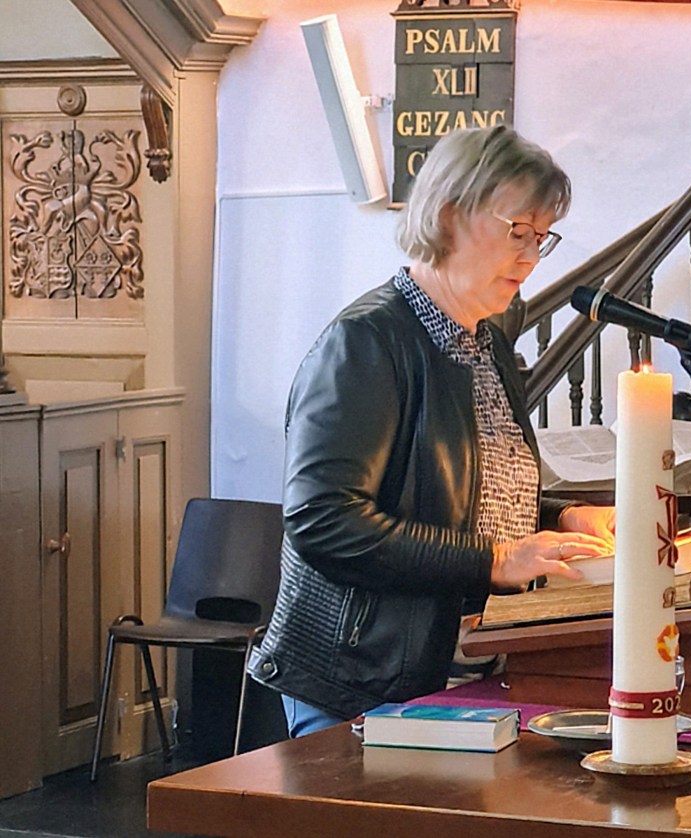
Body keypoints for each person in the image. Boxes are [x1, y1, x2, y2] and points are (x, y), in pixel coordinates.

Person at [249, 125, 616, 737]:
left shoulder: (486, 339)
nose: (530, 256)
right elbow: (323, 522)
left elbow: (460, 496)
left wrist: (565, 518)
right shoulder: (366, 342)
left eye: (541, 237)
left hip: (467, 669)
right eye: (517, 232)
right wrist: (494, 560)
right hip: (361, 679)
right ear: (448, 217)